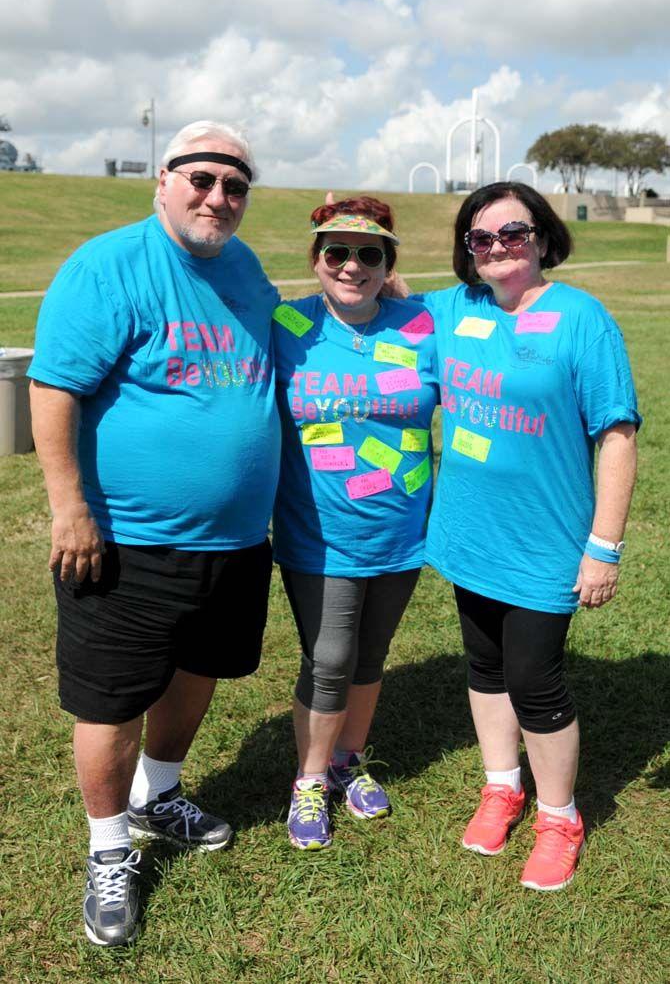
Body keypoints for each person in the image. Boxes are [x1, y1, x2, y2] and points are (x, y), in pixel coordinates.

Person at [28, 120, 281, 945]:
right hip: (126, 541)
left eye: (234, 185)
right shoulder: (106, 266)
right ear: (162, 179)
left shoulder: (245, 269)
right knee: (110, 703)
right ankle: (108, 850)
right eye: (201, 178)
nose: (218, 197)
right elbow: (55, 387)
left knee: (201, 669)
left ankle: (158, 793)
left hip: (236, 541)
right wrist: (69, 507)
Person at [419, 181, 640, 890]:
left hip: (546, 542)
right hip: (469, 533)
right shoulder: (453, 309)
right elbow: (373, 300)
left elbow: (617, 434)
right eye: (480, 239)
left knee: (534, 681)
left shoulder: (582, 318)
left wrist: (603, 545)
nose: (497, 248)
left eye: (512, 234)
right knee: (485, 668)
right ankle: (500, 786)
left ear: (542, 237)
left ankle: (558, 817)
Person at [272, 197, 440, 850]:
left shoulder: (422, 323)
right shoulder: (286, 323)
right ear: (315, 260)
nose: (351, 265)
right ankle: (310, 779)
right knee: (330, 656)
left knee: (370, 656)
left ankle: (347, 761)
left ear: (388, 264)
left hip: (402, 527)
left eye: (368, 253)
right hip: (319, 528)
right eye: (335, 252)